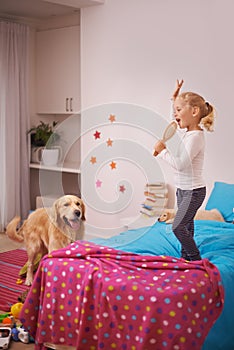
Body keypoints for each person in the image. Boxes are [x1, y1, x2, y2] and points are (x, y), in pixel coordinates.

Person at [154, 80, 215, 261]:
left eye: (179, 109)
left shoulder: (195, 137)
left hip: (193, 192)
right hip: (183, 189)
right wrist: (174, 99)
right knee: (187, 225)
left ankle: (195, 258)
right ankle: (185, 257)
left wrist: (162, 151)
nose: (175, 113)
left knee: (177, 227)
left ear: (194, 112)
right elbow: (174, 123)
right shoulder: (187, 132)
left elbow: (181, 164)